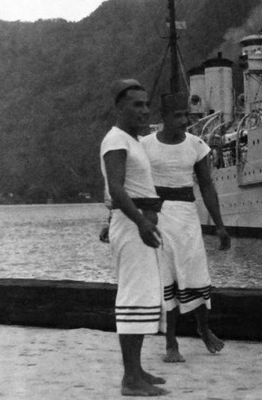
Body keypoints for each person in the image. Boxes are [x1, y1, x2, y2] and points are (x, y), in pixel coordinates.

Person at [141, 93, 231, 363]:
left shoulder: (196, 145)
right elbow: (132, 183)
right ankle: (171, 343)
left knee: (196, 274)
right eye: (177, 116)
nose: (184, 120)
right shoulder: (144, 145)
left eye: (187, 115)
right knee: (168, 276)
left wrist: (220, 225)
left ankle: (203, 329)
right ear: (164, 118)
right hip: (158, 216)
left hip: (187, 217)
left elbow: (206, 186)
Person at [100, 79, 168, 397]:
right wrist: (140, 222)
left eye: (146, 104)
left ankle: (137, 369)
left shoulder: (133, 140)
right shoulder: (116, 141)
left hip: (137, 223)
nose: (144, 110)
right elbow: (116, 188)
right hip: (132, 225)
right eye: (136, 104)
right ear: (120, 107)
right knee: (132, 298)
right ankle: (130, 379)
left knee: (143, 297)